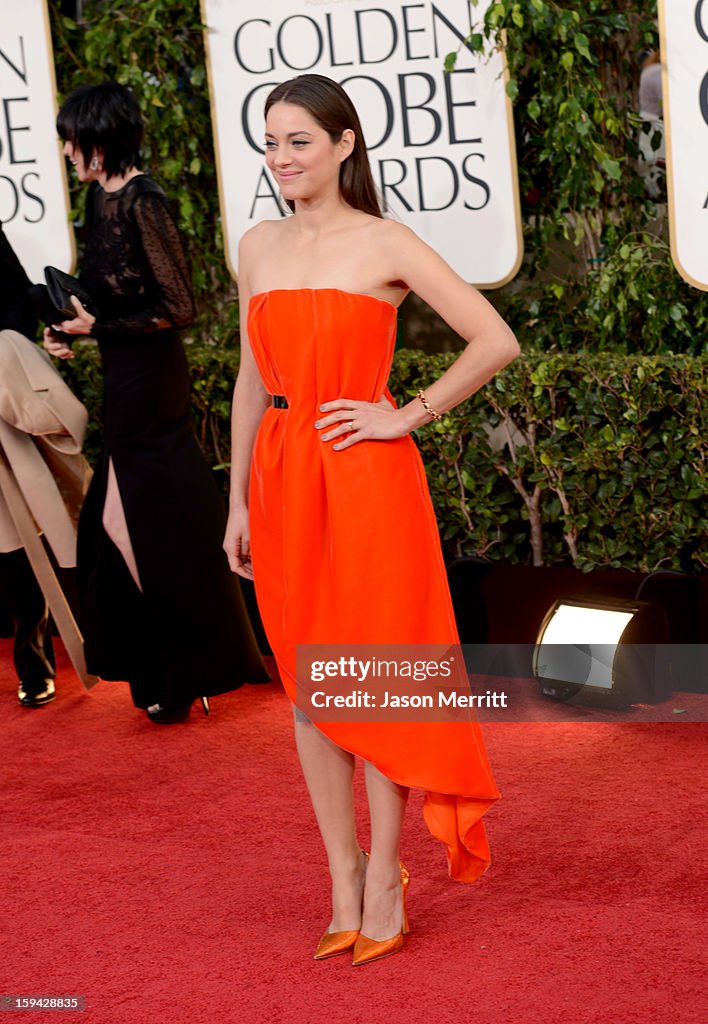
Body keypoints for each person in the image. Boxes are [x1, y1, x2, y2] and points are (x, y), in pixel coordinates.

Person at [224, 74, 519, 965]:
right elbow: (249, 381)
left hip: (367, 480)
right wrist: (235, 497)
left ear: (345, 144)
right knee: (314, 697)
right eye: (270, 143)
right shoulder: (258, 245)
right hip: (281, 476)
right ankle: (342, 879)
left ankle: (387, 877)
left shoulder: (385, 241)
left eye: (299, 141)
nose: (281, 159)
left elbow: (494, 338)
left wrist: (405, 412)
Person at [44, 82, 269, 723]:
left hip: (153, 379)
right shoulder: (98, 195)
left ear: (100, 138)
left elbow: (179, 308)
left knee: (131, 523)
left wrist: (99, 330)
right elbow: (109, 292)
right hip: (123, 376)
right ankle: (173, 662)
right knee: (133, 525)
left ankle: (184, 663)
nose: (65, 151)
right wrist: (66, 325)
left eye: (71, 139)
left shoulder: (146, 201)